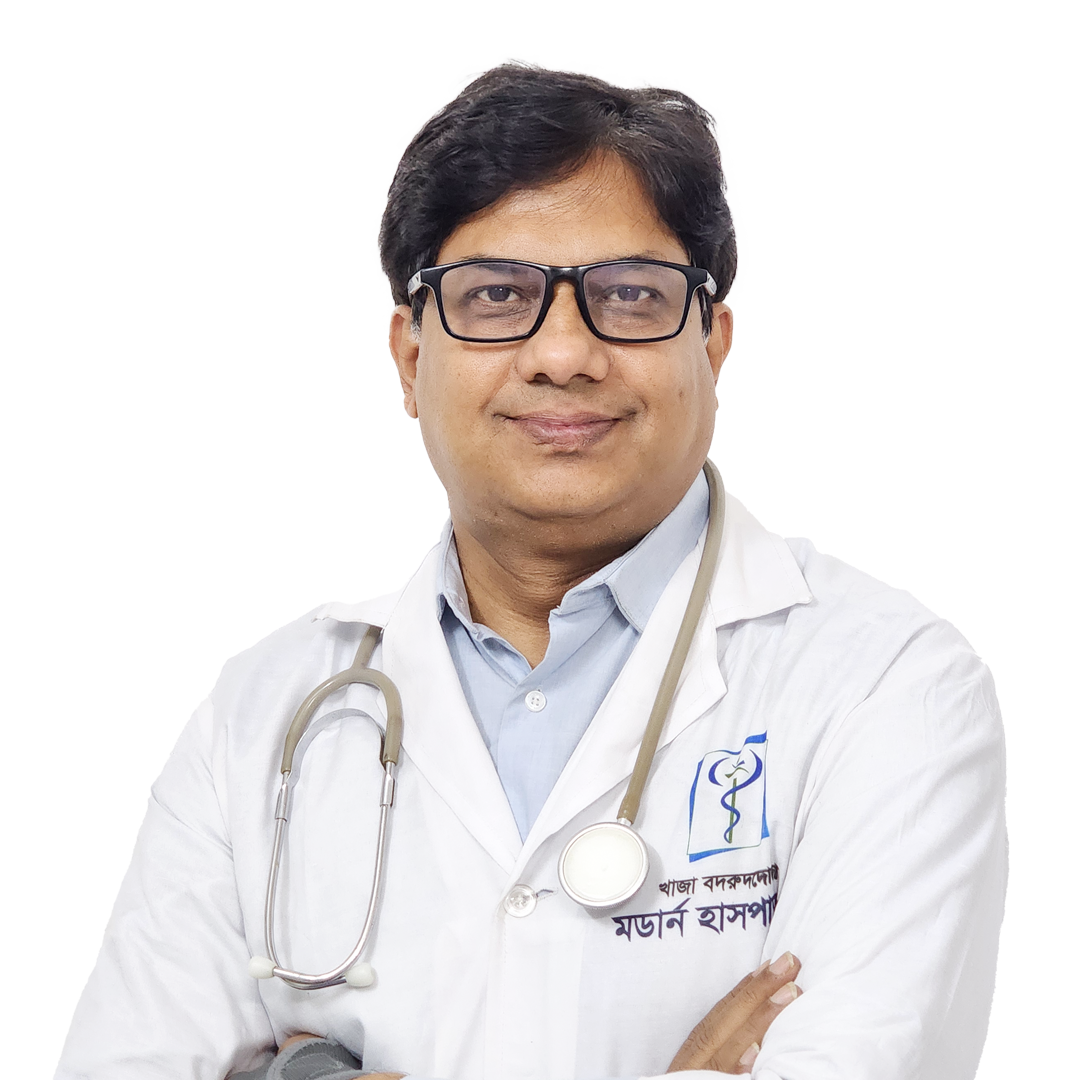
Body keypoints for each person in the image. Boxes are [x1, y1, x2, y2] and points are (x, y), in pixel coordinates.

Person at [57, 62, 1005, 1080]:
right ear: (410, 358)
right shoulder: (263, 715)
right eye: (497, 294)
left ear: (713, 347)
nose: (562, 353)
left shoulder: (887, 688)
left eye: (630, 295)